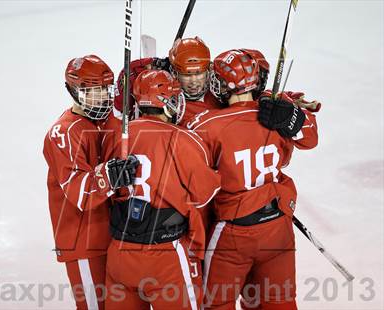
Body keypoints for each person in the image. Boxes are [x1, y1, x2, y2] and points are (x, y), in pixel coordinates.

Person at [187, 49, 319, 309]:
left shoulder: (207, 124)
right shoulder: (276, 113)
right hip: (278, 228)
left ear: (223, 85)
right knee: (280, 302)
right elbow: (310, 138)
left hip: (233, 232)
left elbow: (191, 177)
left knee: (215, 303)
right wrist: (293, 113)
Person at [103, 69, 221, 310]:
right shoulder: (184, 139)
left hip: (119, 254)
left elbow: (104, 187)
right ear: (168, 103)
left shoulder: (117, 137)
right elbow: (204, 195)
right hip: (165, 256)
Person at [43, 55, 138, 310]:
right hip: (83, 242)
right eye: (90, 91)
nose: (99, 97)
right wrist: (109, 175)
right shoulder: (62, 134)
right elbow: (79, 191)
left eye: (103, 90)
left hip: (115, 236)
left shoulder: (107, 122)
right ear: (73, 91)